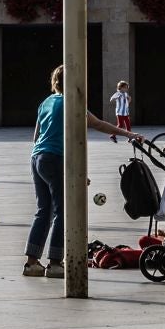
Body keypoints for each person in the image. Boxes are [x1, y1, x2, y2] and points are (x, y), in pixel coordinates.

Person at [25, 65, 140, 277]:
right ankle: (55, 262)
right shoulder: (72, 103)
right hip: (55, 158)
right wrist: (128, 134)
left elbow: (36, 136)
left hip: (37, 158)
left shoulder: (46, 102)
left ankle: (32, 263)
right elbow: (98, 124)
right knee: (62, 211)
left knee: (44, 211)